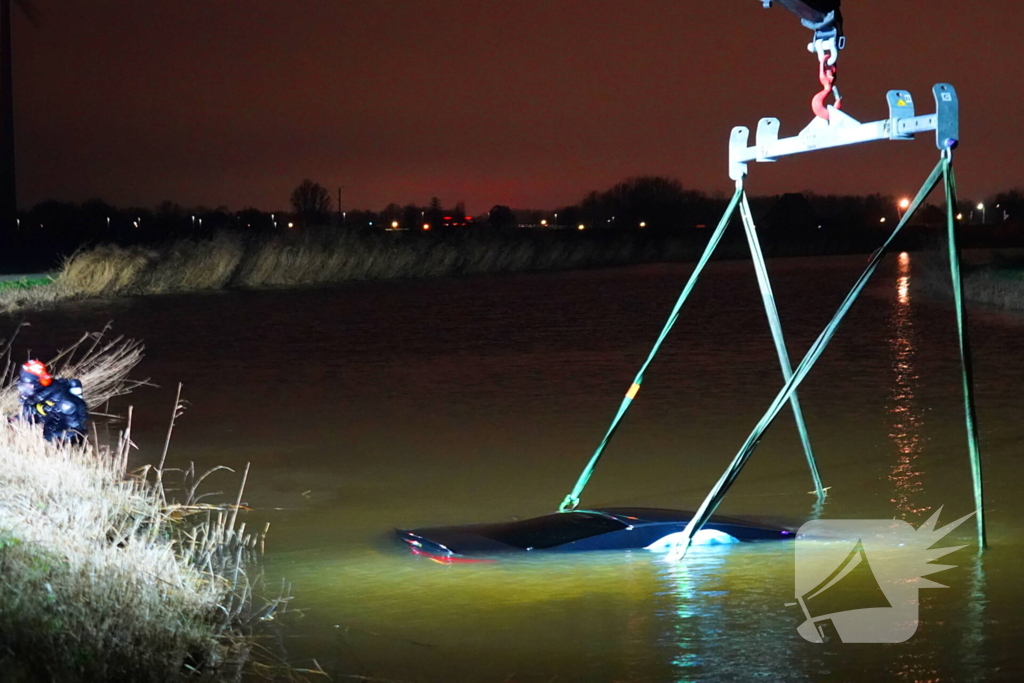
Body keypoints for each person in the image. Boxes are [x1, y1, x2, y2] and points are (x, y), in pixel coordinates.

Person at [17, 359, 90, 444]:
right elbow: (27, 416)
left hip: (61, 442)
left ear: (37, 384)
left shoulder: (63, 401)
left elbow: (77, 433)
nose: (24, 389)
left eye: (28, 385)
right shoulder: (35, 397)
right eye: (23, 384)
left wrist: (49, 440)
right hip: (48, 431)